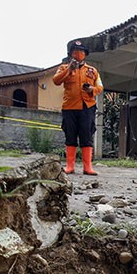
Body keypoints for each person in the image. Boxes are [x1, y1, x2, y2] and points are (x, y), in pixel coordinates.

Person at [52, 40, 103, 175]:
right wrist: (69, 70)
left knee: (87, 135)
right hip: (69, 107)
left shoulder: (92, 70)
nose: (78, 54)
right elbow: (56, 81)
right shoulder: (63, 68)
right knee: (70, 135)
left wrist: (92, 89)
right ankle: (70, 166)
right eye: (75, 51)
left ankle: (88, 167)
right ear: (71, 54)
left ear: (85, 54)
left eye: (81, 51)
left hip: (87, 106)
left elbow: (100, 86)